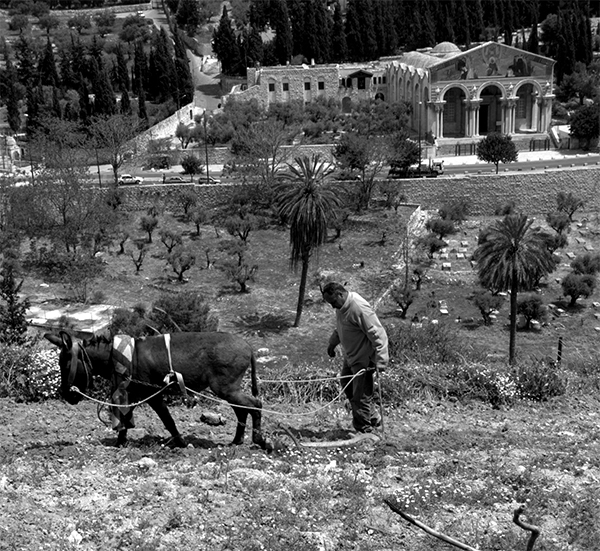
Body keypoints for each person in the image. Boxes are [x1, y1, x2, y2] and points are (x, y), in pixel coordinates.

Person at [322, 282, 389, 433]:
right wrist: (332, 345)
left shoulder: (358, 307)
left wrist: (381, 361)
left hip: (364, 359)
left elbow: (378, 333)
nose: (333, 306)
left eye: (333, 302)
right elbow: (340, 329)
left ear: (340, 294)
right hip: (351, 356)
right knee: (346, 382)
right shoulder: (342, 307)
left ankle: (364, 429)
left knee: (361, 396)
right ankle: (372, 416)